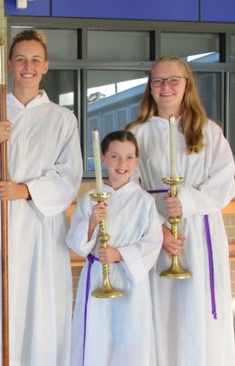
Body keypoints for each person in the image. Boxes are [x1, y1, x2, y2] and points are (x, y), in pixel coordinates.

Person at [0, 29, 83, 365]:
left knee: (39, 298)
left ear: (46, 67)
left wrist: (26, 191)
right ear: (9, 65)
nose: (28, 66)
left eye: (35, 60)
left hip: (39, 225)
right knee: (0, 297)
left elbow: (69, 176)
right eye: (21, 59)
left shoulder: (62, 119)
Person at [125, 55, 235, 366]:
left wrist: (187, 202)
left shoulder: (208, 131)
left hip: (199, 232)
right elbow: (129, 187)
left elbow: (225, 183)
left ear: (186, 85)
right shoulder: (137, 133)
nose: (166, 87)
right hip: (154, 233)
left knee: (197, 308)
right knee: (164, 309)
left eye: (173, 79)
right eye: (158, 81)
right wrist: (157, 226)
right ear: (150, 88)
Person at [66, 130, 162, 366]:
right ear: (103, 159)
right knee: (97, 338)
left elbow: (152, 242)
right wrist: (91, 223)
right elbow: (76, 244)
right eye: (115, 156)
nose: (123, 163)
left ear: (137, 161)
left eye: (129, 157)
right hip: (98, 277)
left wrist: (120, 254)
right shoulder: (90, 199)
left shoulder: (144, 201)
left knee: (129, 338)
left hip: (130, 280)